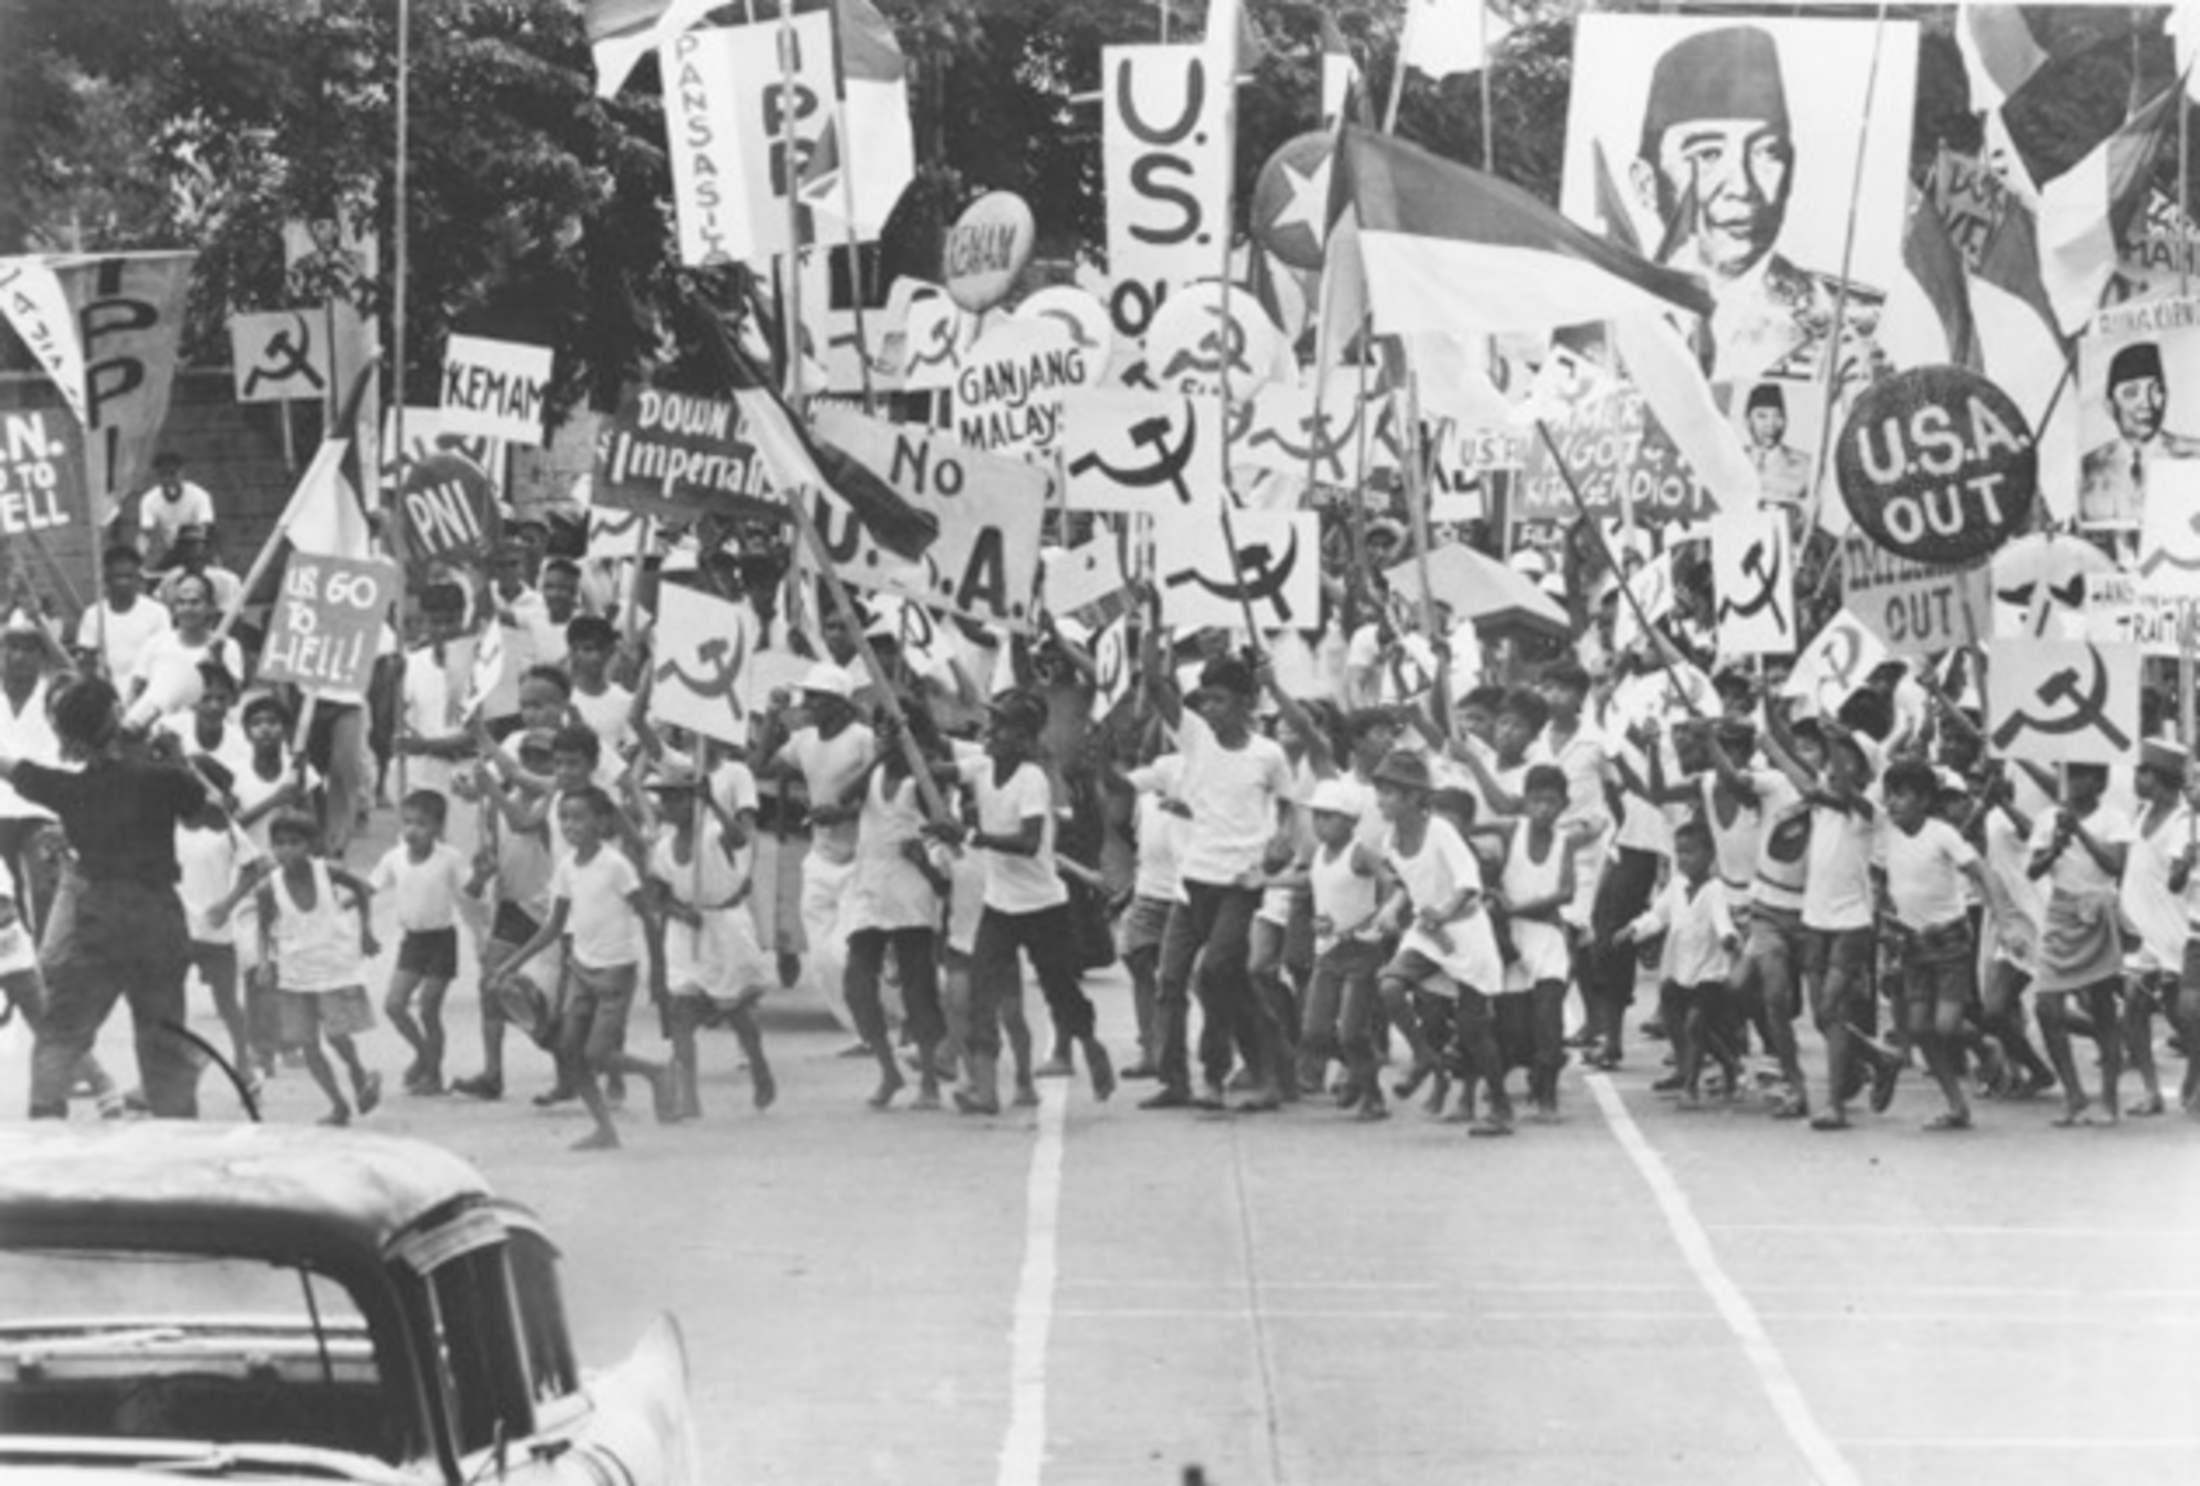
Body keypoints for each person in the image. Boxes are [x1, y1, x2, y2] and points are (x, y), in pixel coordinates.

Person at [1628, 23, 1883, 386]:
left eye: (1767, 152)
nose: (1743, 186)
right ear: (1646, 184)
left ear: (1791, 169)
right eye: (1708, 154)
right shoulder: (1601, 313)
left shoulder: (1862, 320)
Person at [0, 677, 206, 1119]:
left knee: (62, 1032)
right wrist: (176, 757)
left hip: (98, 916)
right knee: (163, 1038)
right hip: (158, 917)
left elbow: (13, 768)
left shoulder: (67, 788)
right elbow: (201, 811)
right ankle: (179, 1133)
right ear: (115, 715)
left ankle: (46, 1124)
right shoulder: (161, 778)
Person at [925, 689, 1115, 1115]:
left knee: (1060, 991)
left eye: (1002, 726)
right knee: (981, 994)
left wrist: (969, 835)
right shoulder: (981, 765)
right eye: (992, 723)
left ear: (1026, 739)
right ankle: (986, 1090)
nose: (990, 732)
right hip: (999, 905)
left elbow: (1029, 843)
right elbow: (937, 768)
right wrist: (906, 740)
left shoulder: (1033, 779)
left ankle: (1090, 1045)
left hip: (1043, 905)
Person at [1138, 655, 1296, 1113]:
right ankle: (1177, 1081)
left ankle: (1215, 1075)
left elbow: (1288, 807)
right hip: (1194, 882)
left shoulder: (1268, 754)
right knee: (1172, 980)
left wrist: (1280, 842)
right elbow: (1155, 684)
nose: (1209, 709)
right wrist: (1151, 629)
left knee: (1213, 974)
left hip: (1240, 883)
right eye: (1204, 700)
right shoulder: (1194, 737)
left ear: (1246, 703)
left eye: (1220, 700)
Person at [490, 786, 677, 1150]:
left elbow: (648, 918)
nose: (569, 825)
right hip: (580, 969)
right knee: (570, 1053)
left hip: (615, 972)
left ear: (602, 822)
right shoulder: (566, 868)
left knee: (598, 1055)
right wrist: (508, 965)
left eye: (579, 817)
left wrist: (658, 974)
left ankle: (655, 1072)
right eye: (564, 817)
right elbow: (553, 927)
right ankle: (605, 1129)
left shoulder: (616, 866)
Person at [1369, 749, 1513, 1136]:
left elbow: (1469, 882)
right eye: (1380, 791)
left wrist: (1445, 911)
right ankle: (1424, 1057)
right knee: (1390, 986)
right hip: (1428, 932)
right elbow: (1405, 881)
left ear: (1414, 797)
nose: (1381, 801)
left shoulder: (1441, 831)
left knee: (1473, 1029)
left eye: (1389, 793)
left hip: (1465, 932)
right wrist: (1392, 907)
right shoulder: (1390, 839)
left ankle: (1500, 1104)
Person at [215, 810, 382, 1125]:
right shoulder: (269, 888)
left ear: (311, 845)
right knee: (308, 1045)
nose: (286, 850)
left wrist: (366, 931)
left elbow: (362, 889)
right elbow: (264, 927)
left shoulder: (327, 872)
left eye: (294, 842)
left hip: (332, 968)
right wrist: (264, 962)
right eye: (279, 843)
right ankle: (338, 1104)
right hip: (294, 974)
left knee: (338, 1037)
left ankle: (358, 1071)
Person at [1876, 757, 2004, 1131]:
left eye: (1901, 795)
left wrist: (2002, 917)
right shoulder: (1887, 834)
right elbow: (1883, 881)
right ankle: (1956, 1104)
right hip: (1911, 941)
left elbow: (1980, 871)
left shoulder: (1942, 834)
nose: (1893, 802)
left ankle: (1984, 1046)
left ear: (1924, 799)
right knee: (1919, 1028)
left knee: (1946, 1026)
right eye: (1889, 794)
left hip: (1948, 939)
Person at [641, 767, 775, 1120]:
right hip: (686, 933)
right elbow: (656, 894)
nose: (669, 806)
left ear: (693, 802)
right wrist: (679, 912)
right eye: (665, 799)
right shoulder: (662, 847)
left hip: (725, 928)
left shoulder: (714, 835)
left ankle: (759, 1065)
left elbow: (739, 840)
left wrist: (712, 801)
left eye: (678, 799)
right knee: (681, 1014)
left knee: (737, 1011)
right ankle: (689, 1096)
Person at [840, 711, 949, 1110]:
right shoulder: (872, 773)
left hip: (910, 891)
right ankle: (888, 1069)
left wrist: (927, 858)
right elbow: (844, 797)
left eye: (891, 733)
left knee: (918, 989)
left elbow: (944, 826)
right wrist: (878, 758)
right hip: (870, 888)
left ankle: (930, 1081)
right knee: (856, 984)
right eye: (880, 732)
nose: (883, 738)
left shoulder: (922, 779)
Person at [766, 662, 877, 1039]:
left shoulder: (863, 739)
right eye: (807, 696)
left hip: (860, 859)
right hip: (820, 859)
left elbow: (882, 796)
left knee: (845, 953)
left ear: (839, 703)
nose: (807, 704)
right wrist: (772, 716)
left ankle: (876, 1023)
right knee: (822, 959)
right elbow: (761, 766)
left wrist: (841, 813)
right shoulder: (803, 741)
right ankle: (861, 1030)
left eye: (815, 697)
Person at [2027, 762, 2133, 1126]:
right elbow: (2033, 870)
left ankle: (2109, 1099)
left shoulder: (2114, 818)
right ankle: (2073, 1094)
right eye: (2067, 774)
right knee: (2046, 1006)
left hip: (2098, 911)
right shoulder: (2047, 818)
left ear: (2098, 781)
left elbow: (2115, 865)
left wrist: (2080, 832)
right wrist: (2055, 847)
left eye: (2079, 775)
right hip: (2061, 911)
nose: (2070, 782)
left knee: (2103, 1006)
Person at [1620, 819, 1739, 1109]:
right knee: (1682, 1020)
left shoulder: (1715, 889)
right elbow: (1657, 915)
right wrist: (1633, 929)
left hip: (1709, 971)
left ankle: (1690, 1086)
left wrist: (1728, 938)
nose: (1684, 859)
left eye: (1691, 852)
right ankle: (1719, 1064)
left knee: (1697, 1022)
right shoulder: (1675, 886)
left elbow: (1722, 921)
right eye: (1680, 852)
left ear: (1709, 855)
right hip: (1678, 967)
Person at [369, 789, 471, 1096]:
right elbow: (370, 887)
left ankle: (433, 1076)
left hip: (441, 940)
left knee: (429, 1009)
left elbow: (471, 890)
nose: (412, 830)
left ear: (438, 828)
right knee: (394, 1005)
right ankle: (425, 1055)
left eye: (422, 824)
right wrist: (338, 903)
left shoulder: (449, 858)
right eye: (407, 822)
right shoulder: (394, 857)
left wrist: (482, 875)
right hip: (413, 941)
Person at [173, 759, 259, 1090]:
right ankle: (177, 1063)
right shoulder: (167, 821)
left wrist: (227, 904)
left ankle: (243, 1061)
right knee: (167, 1000)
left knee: (227, 1003)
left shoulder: (226, 828)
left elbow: (253, 868)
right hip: (177, 928)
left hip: (215, 930)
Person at [2078, 341, 2200, 530]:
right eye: (2131, 393)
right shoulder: (2088, 469)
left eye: (2156, 390)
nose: (2147, 403)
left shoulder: (2194, 455)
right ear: (2109, 406)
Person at [124, 573, 247, 731]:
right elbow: (135, 690)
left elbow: (234, 698)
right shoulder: (156, 644)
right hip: (161, 734)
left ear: (211, 607)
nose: (187, 608)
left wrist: (218, 662)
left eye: (195, 602)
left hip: (206, 735)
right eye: (181, 602)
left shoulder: (227, 646)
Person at [75, 545, 172, 692]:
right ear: (107, 579)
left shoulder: (157, 612)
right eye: (117, 577)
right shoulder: (93, 615)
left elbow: (163, 659)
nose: (123, 583)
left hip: (147, 692)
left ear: (138, 578)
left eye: (128, 576)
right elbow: (86, 662)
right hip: (106, 694)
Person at [138, 452, 217, 568]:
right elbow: (145, 534)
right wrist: (140, 559)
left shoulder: (200, 496)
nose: (167, 480)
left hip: (198, 550)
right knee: (157, 576)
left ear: (182, 473)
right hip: (173, 552)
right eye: (162, 475)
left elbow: (206, 528)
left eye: (172, 474)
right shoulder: (149, 500)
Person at [1743, 382, 1812, 508]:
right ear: (1748, 421)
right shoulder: (1733, 458)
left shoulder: (1806, 465)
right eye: (1762, 416)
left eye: (1777, 416)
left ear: (1785, 421)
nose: (1770, 424)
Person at [153, 524, 244, 614]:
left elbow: (233, 616)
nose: (190, 550)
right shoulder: (171, 578)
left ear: (207, 548)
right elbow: (161, 610)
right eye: (185, 545)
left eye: (196, 544)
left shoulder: (227, 580)